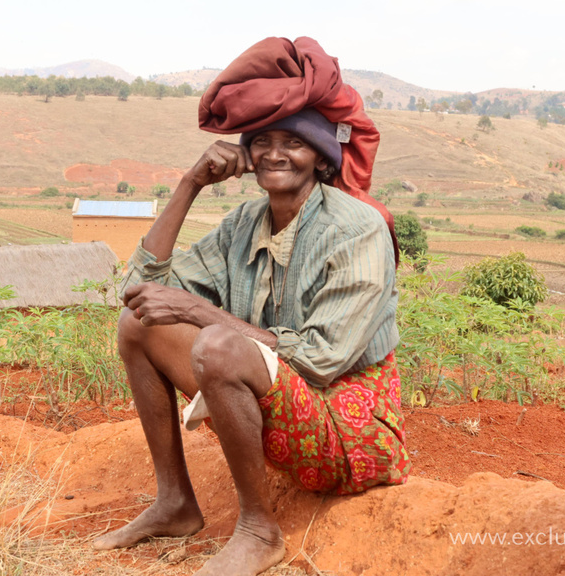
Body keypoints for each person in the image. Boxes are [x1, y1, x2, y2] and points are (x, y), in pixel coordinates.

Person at [92, 37, 410, 576]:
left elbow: (321, 361)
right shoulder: (244, 224)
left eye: (295, 142)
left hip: (348, 432)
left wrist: (197, 312)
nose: (276, 154)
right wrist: (191, 183)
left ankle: (260, 531)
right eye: (263, 140)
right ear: (245, 151)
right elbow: (140, 287)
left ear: (321, 156)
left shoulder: (357, 229)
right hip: (282, 407)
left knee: (217, 342)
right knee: (136, 324)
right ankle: (175, 503)